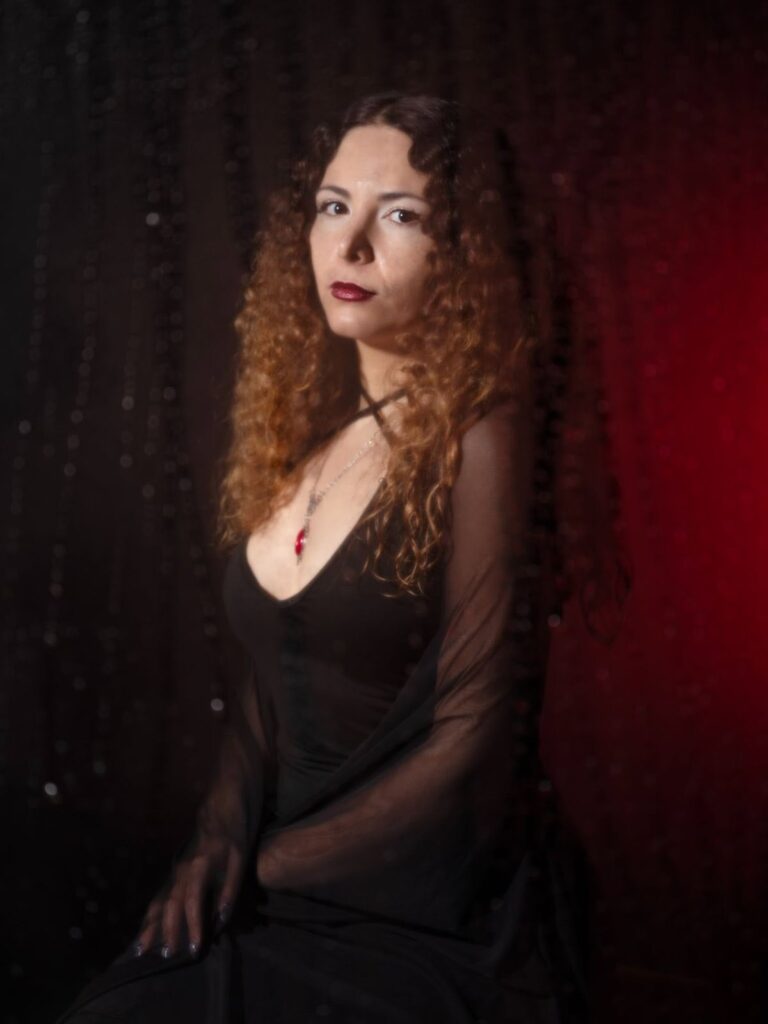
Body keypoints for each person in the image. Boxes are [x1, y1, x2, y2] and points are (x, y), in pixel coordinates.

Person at [54, 90, 630, 1024]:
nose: (351, 247)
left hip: (430, 912)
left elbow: (474, 743)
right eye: (333, 208)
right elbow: (266, 686)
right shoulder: (314, 439)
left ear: (470, 254)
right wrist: (213, 837)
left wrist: (264, 865)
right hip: (279, 887)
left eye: (400, 217)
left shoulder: (483, 436)